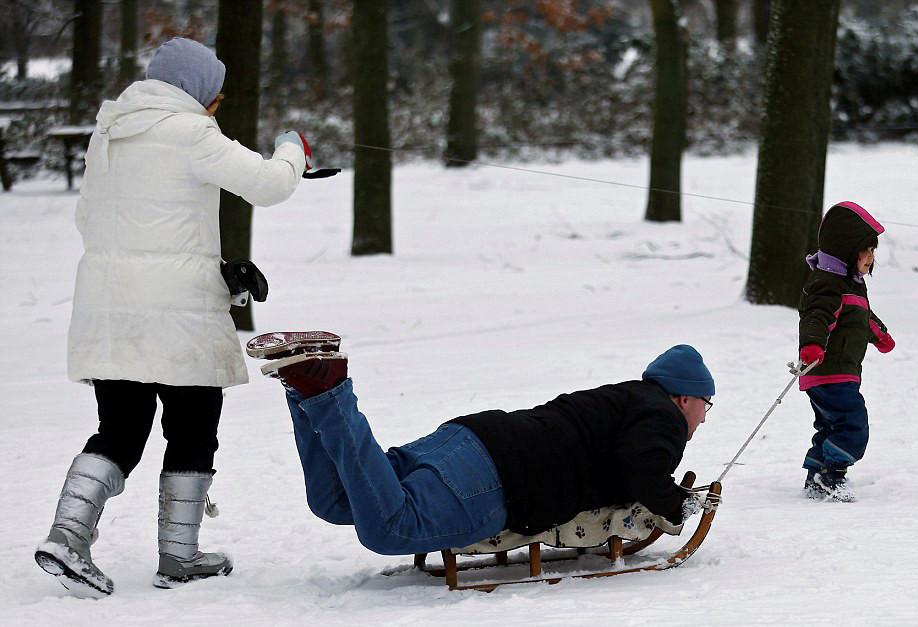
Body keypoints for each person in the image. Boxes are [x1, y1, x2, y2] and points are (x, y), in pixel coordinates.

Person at [35, 37, 313, 596]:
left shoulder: (109, 133)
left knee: (119, 430)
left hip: (112, 312)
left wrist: (212, 267)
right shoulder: (192, 132)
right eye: (215, 94)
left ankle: (67, 537)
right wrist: (291, 148)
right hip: (179, 318)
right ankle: (179, 556)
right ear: (194, 90)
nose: (217, 105)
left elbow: (94, 221)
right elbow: (270, 184)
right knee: (192, 426)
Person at [249, 337, 714, 556]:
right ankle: (328, 391)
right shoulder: (663, 415)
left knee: (336, 501)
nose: (703, 417)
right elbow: (641, 469)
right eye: (705, 405)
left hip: (468, 437)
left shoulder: (625, 395)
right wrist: (673, 502)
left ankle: (304, 383)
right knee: (390, 529)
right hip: (501, 478)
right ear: (685, 396)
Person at [797, 201, 894, 502]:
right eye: (866, 250)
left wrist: (880, 336)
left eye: (873, 251)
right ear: (846, 250)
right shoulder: (827, 284)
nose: (871, 258)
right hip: (830, 371)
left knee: (830, 424)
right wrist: (812, 345)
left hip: (833, 374)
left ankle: (816, 473)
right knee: (853, 424)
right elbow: (817, 317)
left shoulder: (850, 285)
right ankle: (833, 475)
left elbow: (861, 317)